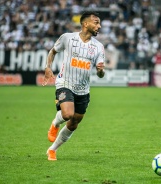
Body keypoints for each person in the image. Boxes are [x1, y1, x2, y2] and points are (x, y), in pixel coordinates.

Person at [42, 11, 105, 161]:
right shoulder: (67, 38)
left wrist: (100, 71)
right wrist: (48, 67)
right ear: (85, 24)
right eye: (96, 22)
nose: (99, 26)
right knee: (67, 114)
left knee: (74, 122)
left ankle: (52, 150)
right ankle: (55, 123)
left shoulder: (98, 47)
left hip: (83, 89)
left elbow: (101, 74)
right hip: (65, 83)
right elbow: (52, 51)